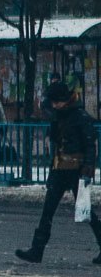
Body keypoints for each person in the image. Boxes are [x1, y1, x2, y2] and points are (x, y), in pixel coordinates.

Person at [15, 81, 101, 264]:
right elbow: (56, 141)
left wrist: (87, 169)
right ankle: (37, 250)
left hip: (76, 170)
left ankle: (37, 250)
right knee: (48, 212)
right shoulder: (59, 115)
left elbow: (89, 145)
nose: (54, 105)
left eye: (56, 102)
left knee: (86, 212)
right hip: (60, 169)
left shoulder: (80, 116)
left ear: (64, 100)